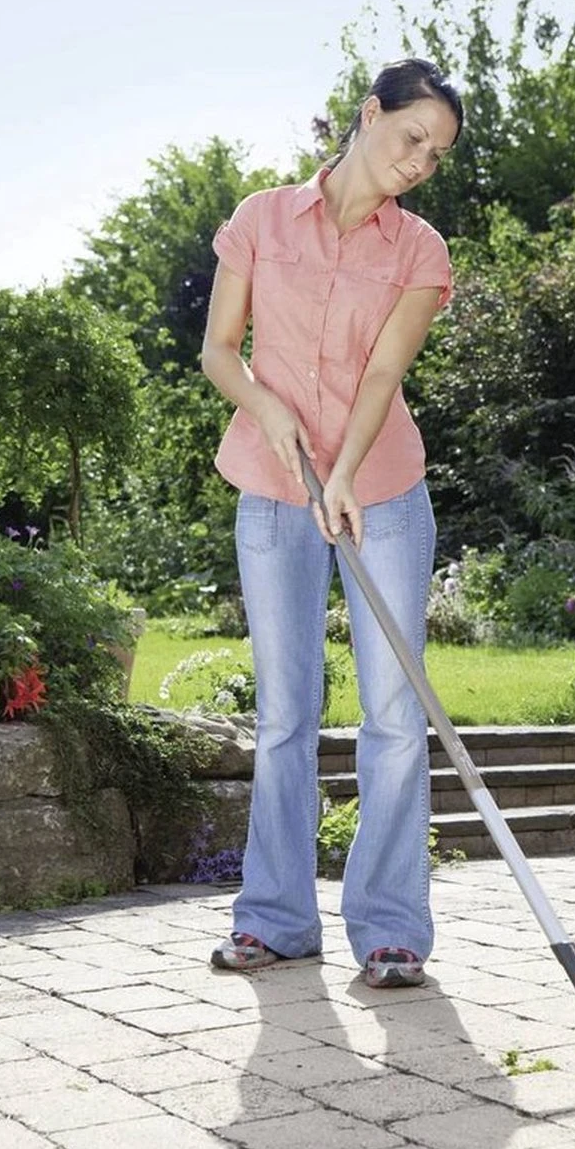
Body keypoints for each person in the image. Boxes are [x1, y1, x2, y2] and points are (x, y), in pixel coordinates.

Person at [201, 58, 464, 988]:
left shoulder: (419, 251)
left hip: (381, 489)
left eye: (435, 155)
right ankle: (274, 920)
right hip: (273, 487)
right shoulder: (262, 219)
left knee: (393, 712)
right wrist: (266, 410)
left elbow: (383, 373)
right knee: (284, 714)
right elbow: (219, 351)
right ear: (369, 114)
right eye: (412, 137)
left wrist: (345, 473)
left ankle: (390, 929)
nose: (419, 162)